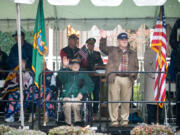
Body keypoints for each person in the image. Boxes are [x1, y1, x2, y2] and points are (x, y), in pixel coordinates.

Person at [100, 32, 138, 127]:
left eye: (125, 39)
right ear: (118, 41)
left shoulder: (132, 52)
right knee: (113, 100)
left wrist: (133, 76)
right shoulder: (112, 50)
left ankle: (125, 121)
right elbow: (102, 48)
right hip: (115, 77)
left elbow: (136, 66)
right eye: (122, 39)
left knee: (126, 101)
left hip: (127, 78)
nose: (124, 41)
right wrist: (104, 38)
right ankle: (114, 121)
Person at [57, 57, 94, 125]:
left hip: (77, 97)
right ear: (70, 66)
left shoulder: (84, 74)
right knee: (67, 105)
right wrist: (64, 67)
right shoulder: (66, 73)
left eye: (77, 64)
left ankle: (77, 122)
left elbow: (90, 85)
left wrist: (82, 92)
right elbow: (60, 77)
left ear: (79, 66)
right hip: (66, 96)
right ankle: (68, 124)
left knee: (75, 105)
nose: (75, 65)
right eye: (73, 64)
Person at [85, 38, 103, 114]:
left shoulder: (97, 54)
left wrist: (97, 66)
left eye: (92, 44)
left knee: (96, 96)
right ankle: (88, 111)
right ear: (87, 45)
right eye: (90, 44)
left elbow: (101, 64)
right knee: (87, 96)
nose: (91, 46)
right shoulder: (83, 53)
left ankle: (95, 111)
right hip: (87, 78)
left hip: (95, 78)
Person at [169, 18, 180, 130]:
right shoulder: (178, 23)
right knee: (178, 100)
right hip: (178, 73)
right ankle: (178, 123)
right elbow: (172, 41)